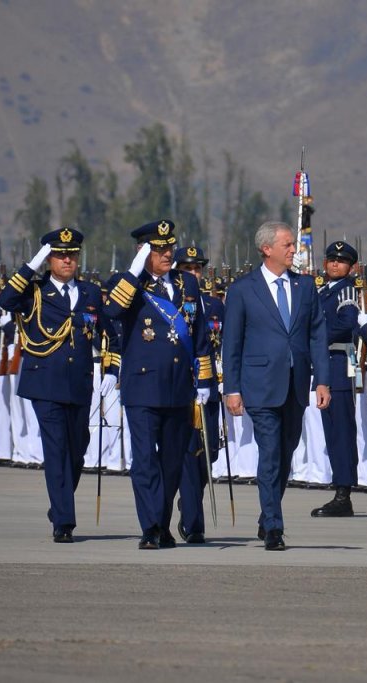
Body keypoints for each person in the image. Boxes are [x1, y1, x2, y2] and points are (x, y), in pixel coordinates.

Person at [104, 220, 215, 550]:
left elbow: (200, 336)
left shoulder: (186, 285)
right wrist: (134, 270)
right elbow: (111, 310)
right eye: (159, 249)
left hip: (180, 388)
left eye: (170, 247)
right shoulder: (127, 284)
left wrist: (205, 379)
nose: (168, 254)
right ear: (143, 251)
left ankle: (163, 524)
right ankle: (150, 527)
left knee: (171, 462)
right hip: (142, 387)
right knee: (144, 461)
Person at [0, 227, 111, 543]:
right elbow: (5, 299)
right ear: (49, 259)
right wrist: (32, 264)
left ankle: (59, 503)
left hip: (80, 383)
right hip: (45, 383)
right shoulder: (35, 291)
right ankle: (64, 521)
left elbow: (106, 332)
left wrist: (111, 369)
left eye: (72, 255)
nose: (67, 260)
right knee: (57, 450)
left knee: (77, 451)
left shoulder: (89, 293)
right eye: (60, 255)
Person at [222, 221, 330, 550]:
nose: (293, 250)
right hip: (260, 385)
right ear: (267, 249)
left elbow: (316, 335)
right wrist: (233, 388)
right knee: (269, 453)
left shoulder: (305, 287)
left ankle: (266, 514)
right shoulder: (243, 290)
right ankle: (273, 526)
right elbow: (232, 343)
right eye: (287, 244)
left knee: (285, 454)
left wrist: (322, 380)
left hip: (296, 384)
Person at [173, 245, 223, 543]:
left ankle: (187, 502)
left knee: (210, 455)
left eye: (197, 269)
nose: (194, 274)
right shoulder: (172, 304)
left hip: (211, 389)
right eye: (187, 269)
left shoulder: (215, 305)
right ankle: (193, 523)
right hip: (183, 390)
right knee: (190, 457)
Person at [311, 240, 361, 516]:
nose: (334, 264)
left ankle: (344, 493)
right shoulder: (325, 291)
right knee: (331, 430)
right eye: (331, 259)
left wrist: (314, 338)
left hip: (338, 364)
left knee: (341, 430)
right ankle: (339, 487)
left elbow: (347, 324)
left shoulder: (346, 291)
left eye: (341, 261)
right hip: (325, 364)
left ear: (350, 267)